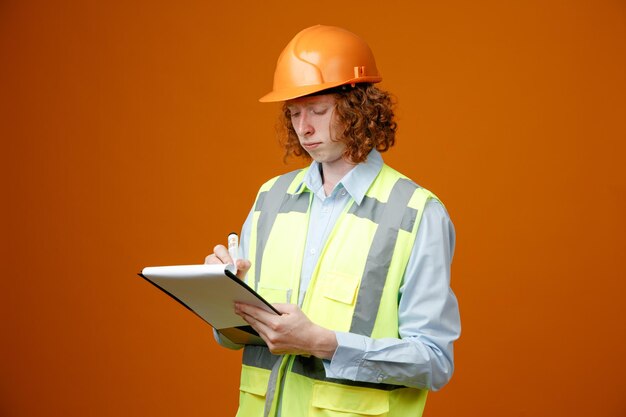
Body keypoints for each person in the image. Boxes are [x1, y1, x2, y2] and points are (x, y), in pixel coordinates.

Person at [205, 24, 460, 417]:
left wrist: (323, 343)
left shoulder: (417, 212)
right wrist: (222, 298)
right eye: (293, 114)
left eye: (319, 111)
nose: (303, 128)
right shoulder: (270, 198)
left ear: (359, 107)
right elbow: (238, 339)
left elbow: (434, 360)